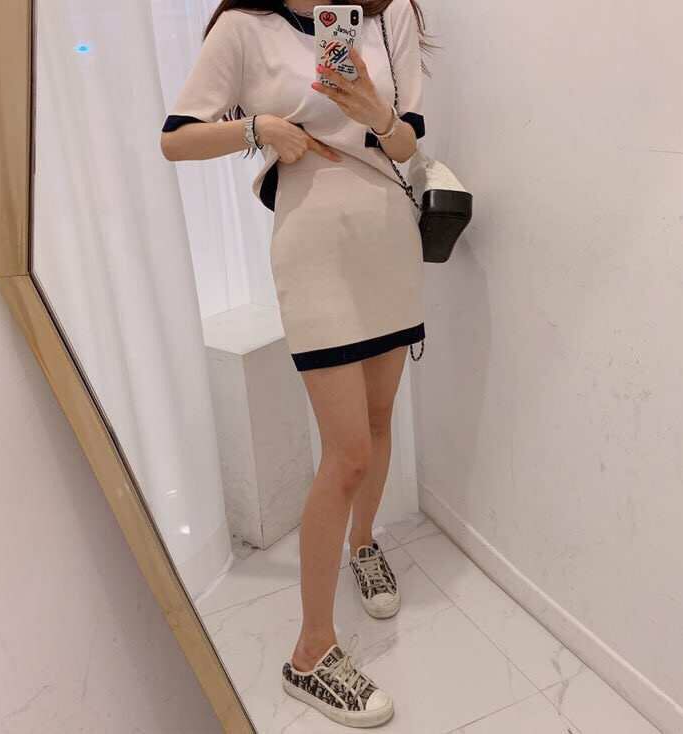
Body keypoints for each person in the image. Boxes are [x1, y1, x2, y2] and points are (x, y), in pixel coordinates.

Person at [160, 0, 431, 726]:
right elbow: (175, 140)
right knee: (346, 453)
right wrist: (259, 129)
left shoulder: (389, 15)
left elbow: (408, 144)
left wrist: (375, 111)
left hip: (387, 236)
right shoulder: (244, 27)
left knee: (380, 419)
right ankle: (310, 653)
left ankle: (364, 544)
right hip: (313, 248)